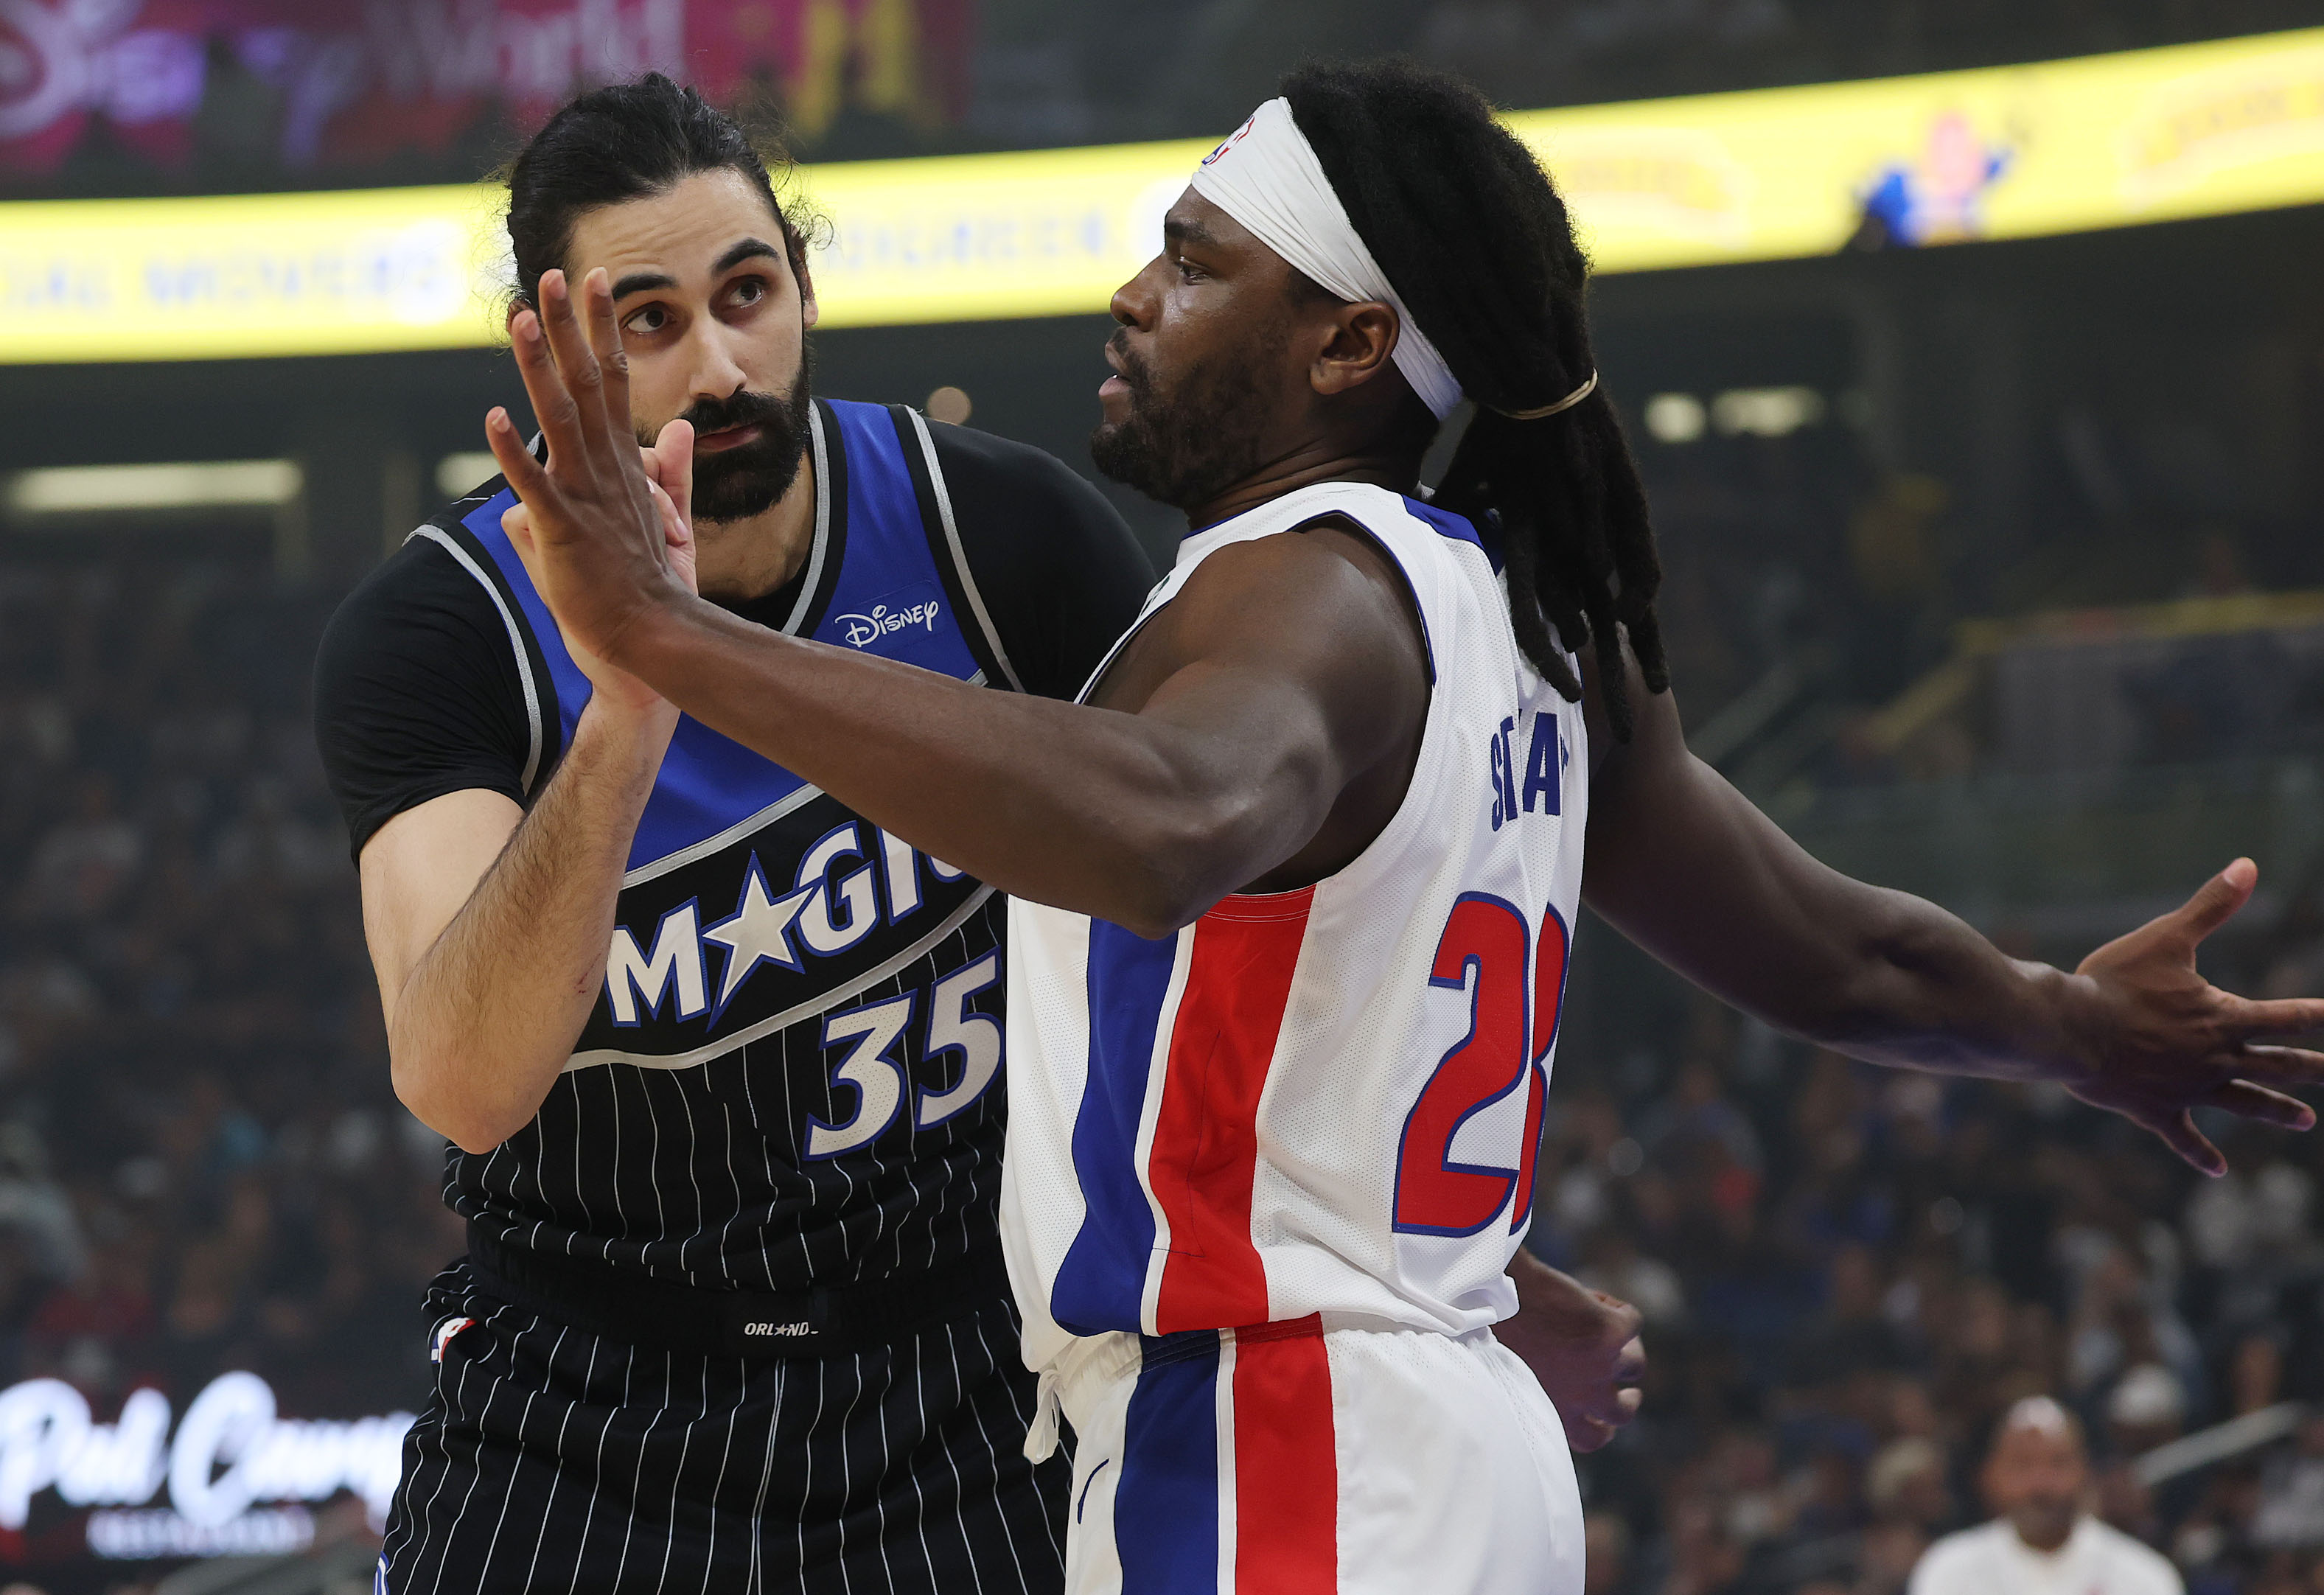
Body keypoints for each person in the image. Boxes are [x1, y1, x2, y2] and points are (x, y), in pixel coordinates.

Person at [483, 60, 2324, 1595]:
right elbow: (1830, 947)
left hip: (1289, 1449)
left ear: (1350, 338)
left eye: (1197, 266)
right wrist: (2067, 1027)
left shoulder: (1309, 594)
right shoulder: (1514, 614)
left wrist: (663, 638)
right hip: (1433, 1438)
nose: (1135, 295)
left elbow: (1168, 822)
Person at [315, 74, 1643, 1595]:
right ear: (551, 348)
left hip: (965, 1379)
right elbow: (463, 1082)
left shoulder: (995, 532)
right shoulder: (443, 627)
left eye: (748, 293)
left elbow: (1231, 921)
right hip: (592, 1386)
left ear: (803, 288)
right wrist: (628, 703)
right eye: (649, 320)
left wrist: (1452, 1265)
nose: (720, 363)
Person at [1910, 1397, 2182, 1595]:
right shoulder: (1950, 1570)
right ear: (1991, 1477)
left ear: (2085, 1472)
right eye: (2022, 1465)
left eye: (2057, 1464)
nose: (2040, 1485)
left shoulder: (2144, 1577)